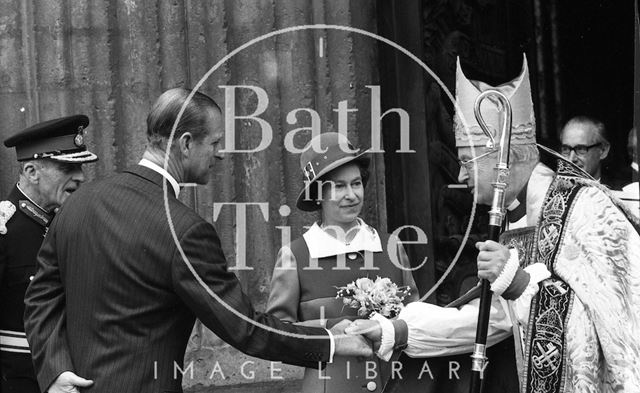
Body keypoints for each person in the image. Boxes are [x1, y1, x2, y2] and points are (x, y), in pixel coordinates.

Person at [23, 88, 372, 393]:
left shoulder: (80, 201)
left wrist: (54, 371)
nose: (220, 154)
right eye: (215, 143)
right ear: (186, 143)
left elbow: (40, 295)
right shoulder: (185, 230)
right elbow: (245, 327)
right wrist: (333, 342)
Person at [348, 55, 640, 392]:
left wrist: (520, 284)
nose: (460, 175)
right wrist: (396, 330)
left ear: (500, 157)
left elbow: (623, 326)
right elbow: (496, 319)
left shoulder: (587, 208)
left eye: (465, 161)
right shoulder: (513, 220)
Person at [266, 132, 419, 393]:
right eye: (339, 186)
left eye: (356, 183)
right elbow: (275, 337)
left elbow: (416, 319)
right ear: (318, 194)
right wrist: (329, 330)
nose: (352, 194)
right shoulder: (296, 256)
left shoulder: (392, 246)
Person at [0, 115, 97, 393]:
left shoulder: (69, 223)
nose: (80, 176)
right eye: (67, 166)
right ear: (31, 172)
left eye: (80, 165)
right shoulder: (5, 231)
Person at [558, 115, 618, 187]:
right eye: (566, 149)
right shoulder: (550, 192)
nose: (571, 159)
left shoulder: (622, 193)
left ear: (603, 150)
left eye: (580, 149)